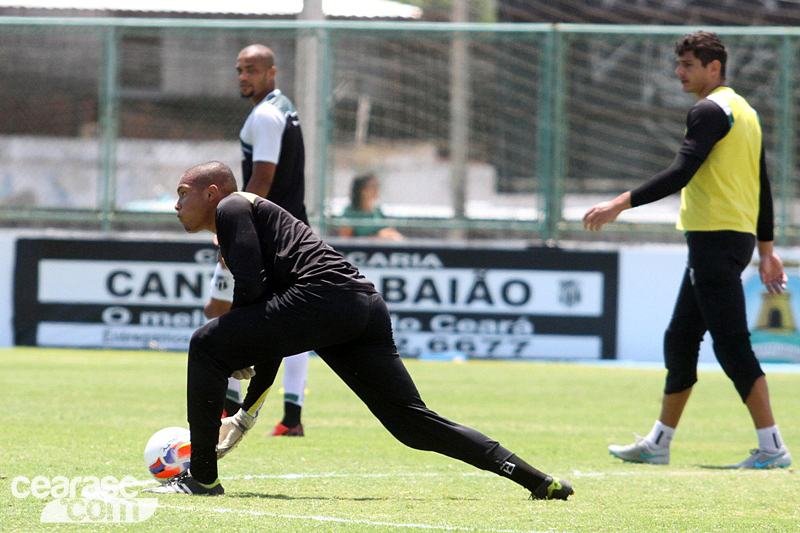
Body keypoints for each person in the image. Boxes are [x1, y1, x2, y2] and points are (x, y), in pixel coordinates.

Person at [146, 161, 574, 499]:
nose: (176, 205)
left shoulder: (232, 207)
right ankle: (535, 478)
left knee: (205, 343)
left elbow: (254, 294)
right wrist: (246, 410)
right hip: (360, 305)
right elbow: (273, 325)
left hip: (324, 298)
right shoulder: (247, 218)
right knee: (412, 424)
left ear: (212, 193)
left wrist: (238, 348)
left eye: (182, 194)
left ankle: (201, 478)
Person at [583, 31, 791, 469]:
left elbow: (681, 171)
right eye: (679, 64)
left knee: (731, 345)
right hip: (727, 240)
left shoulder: (709, 110)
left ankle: (773, 447)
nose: (679, 72)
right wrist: (767, 250)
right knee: (680, 339)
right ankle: (658, 443)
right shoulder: (744, 110)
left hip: (715, 240)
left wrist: (620, 203)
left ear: (714, 68)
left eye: (688, 65)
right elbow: (763, 185)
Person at [204, 44, 309, 437]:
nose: (244, 77)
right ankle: (291, 417)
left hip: (266, 232)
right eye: (240, 69)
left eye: (252, 69)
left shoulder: (265, 115)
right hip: (292, 228)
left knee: (220, 311)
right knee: (292, 324)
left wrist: (237, 226)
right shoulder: (284, 108)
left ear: (271, 72)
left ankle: (230, 407)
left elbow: (262, 178)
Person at [338, 173, 403, 240]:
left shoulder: (377, 211)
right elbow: (345, 240)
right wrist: (377, 237)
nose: (376, 190)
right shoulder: (350, 213)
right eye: (372, 186)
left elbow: (388, 230)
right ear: (362, 190)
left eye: (377, 186)